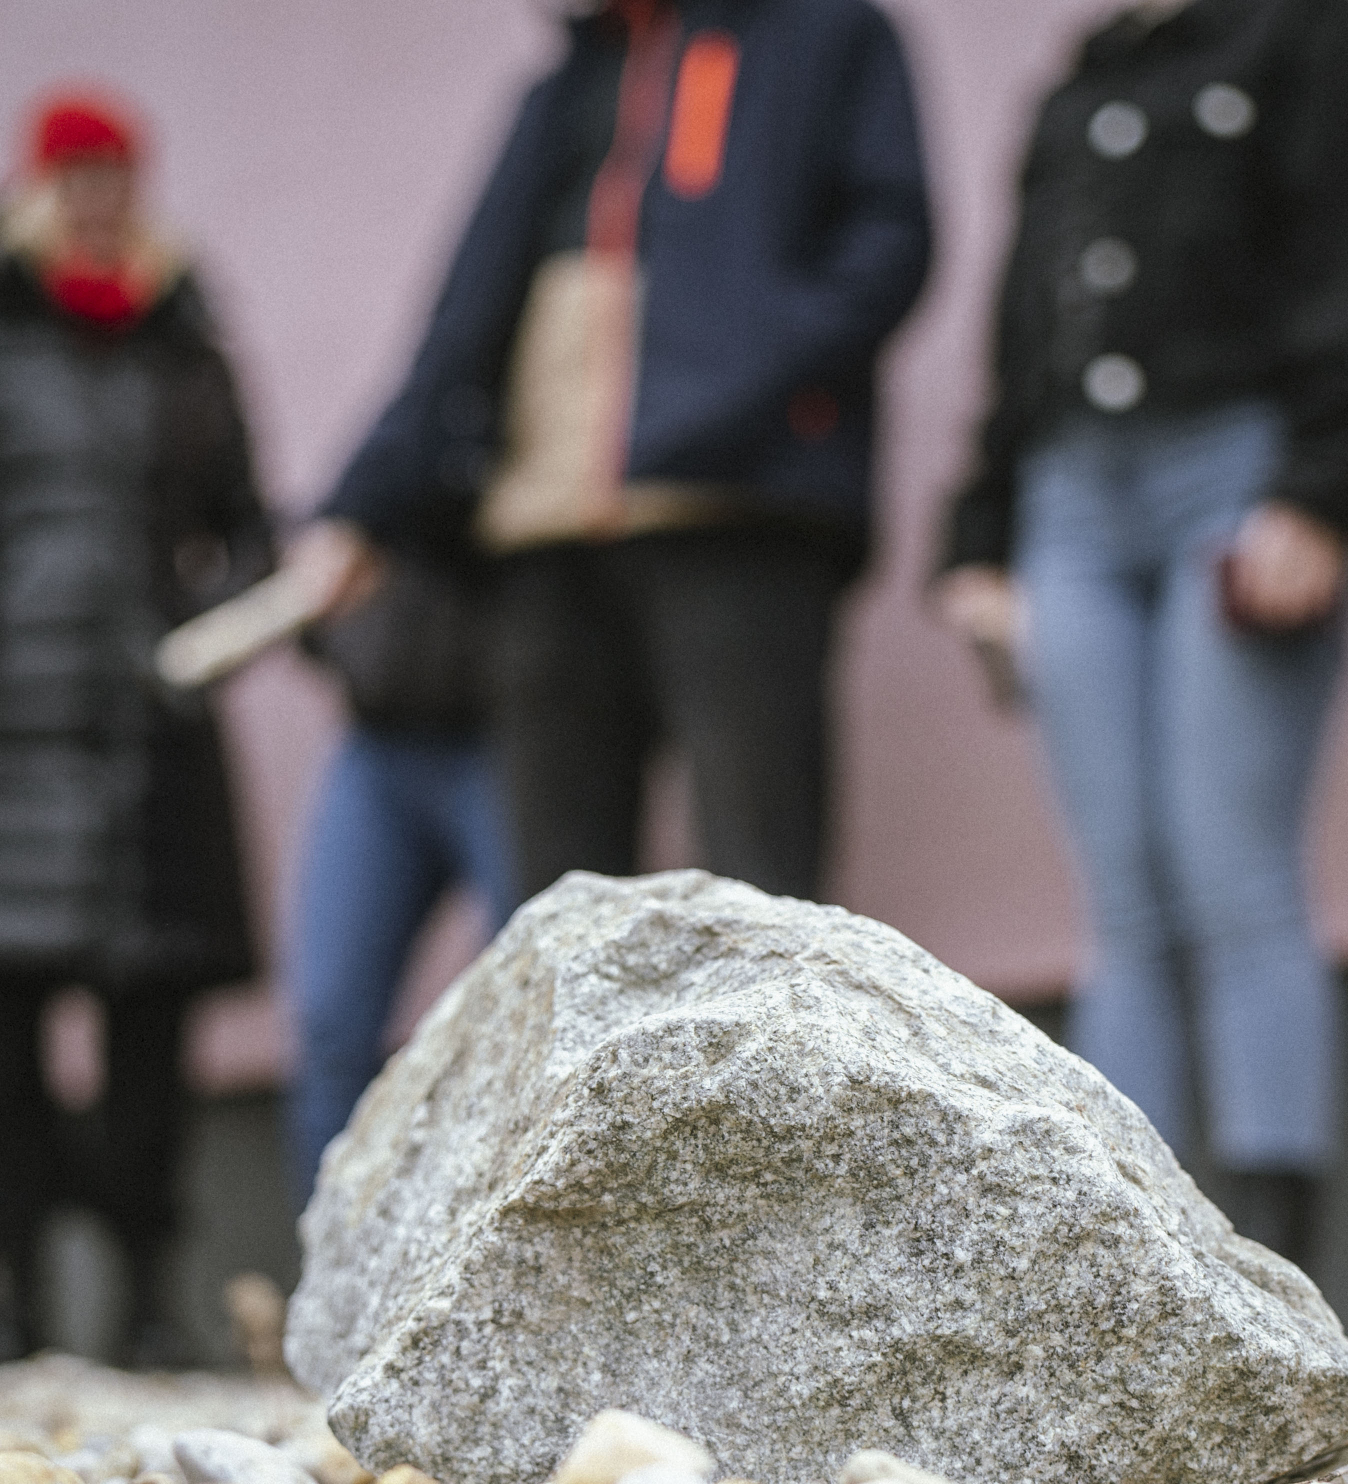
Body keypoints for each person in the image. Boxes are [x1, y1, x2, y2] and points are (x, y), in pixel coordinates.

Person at [930, 0, 1348, 1274]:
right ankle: (1131, 1272)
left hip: (1238, 475)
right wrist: (979, 535)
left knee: (1237, 875)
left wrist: (1320, 486)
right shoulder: (1081, 83)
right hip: (1070, 502)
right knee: (1121, 900)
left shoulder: (1304, 37)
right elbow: (1020, 325)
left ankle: (1280, 1277)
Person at [286, 0, 934, 904]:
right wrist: (364, 505)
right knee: (560, 899)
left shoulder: (823, 35)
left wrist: (747, 383)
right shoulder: (565, 86)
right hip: (541, 529)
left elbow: (890, 244)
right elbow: (465, 318)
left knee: (761, 875)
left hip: (738, 510)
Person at [0, 92, 273, 1367]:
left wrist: (203, 633)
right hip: (1, 726)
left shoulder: (185, 334)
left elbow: (248, 523)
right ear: (37, 190)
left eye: (117, 176)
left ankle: (146, 1303)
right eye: (75, 176)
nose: (97, 201)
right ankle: (17, 1298)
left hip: (150, 725)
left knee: (150, 1025)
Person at [281, 554, 516, 1205]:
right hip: (378, 736)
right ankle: (329, 1250)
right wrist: (335, 628)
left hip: (508, 737)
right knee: (330, 1023)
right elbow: (310, 547)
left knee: (529, 1008)